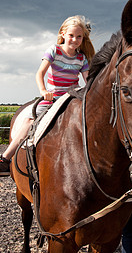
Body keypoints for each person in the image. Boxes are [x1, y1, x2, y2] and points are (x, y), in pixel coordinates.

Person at [0, 15, 95, 176]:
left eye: (79, 37)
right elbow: (40, 73)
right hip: (54, 96)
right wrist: (44, 91)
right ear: (63, 34)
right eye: (71, 35)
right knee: (31, 119)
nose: (75, 39)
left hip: (72, 96)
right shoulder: (55, 51)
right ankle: (6, 157)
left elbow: (87, 80)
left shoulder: (81, 58)